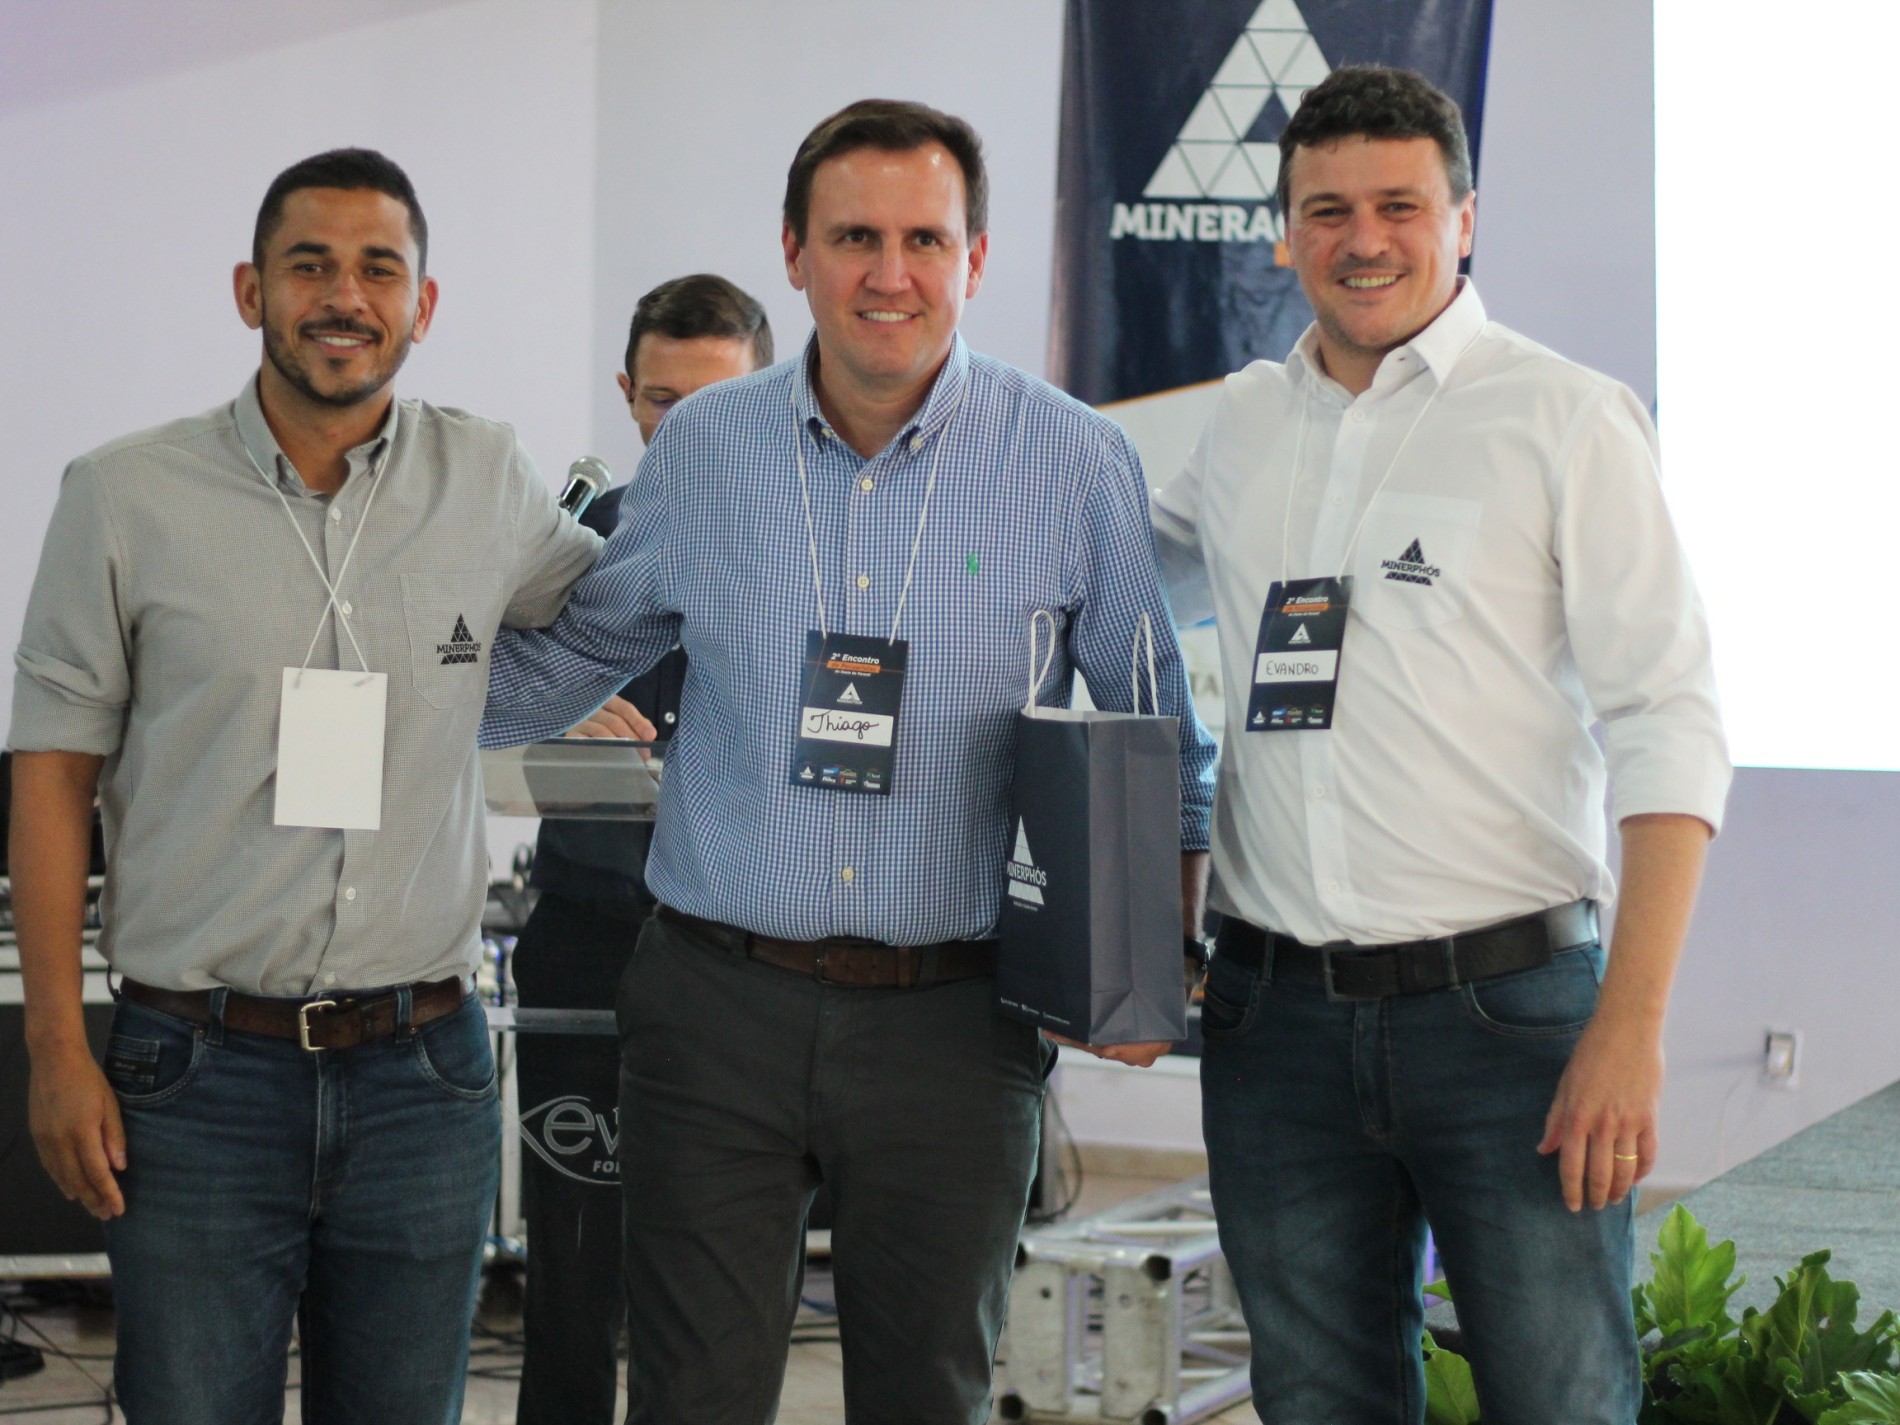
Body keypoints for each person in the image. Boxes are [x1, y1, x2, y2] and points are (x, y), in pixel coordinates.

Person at [482, 99, 1218, 1425]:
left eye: (924, 239)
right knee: (692, 1398)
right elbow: (578, 650)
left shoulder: (1073, 461)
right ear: (795, 252)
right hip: (718, 1008)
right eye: (854, 237)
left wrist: (1154, 961)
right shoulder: (706, 449)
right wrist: (386, 681)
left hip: (957, 1024)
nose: (891, 273)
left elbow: (1159, 723)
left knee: (925, 1395)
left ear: (975, 258)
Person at [1151, 66, 1730, 1423]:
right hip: (1273, 1025)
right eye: (1327, 210)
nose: (1364, 240)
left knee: (1559, 1400)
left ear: (1464, 219)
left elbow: (1669, 718)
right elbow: (1103, 590)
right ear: (1284, 233)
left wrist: (1631, 1027)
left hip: (1509, 1022)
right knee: (1316, 1399)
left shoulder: (1563, 417)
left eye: (1399, 205)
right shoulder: (1242, 423)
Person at [9, 147, 602, 1424]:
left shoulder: (488, 479)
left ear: (422, 304)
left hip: (423, 1074)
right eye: (310, 266)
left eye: (379, 269)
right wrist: (56, 1047)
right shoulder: (123, 496)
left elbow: (610, 609)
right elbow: (51, 776)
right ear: (250, 291)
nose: (344, 297)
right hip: (196, 1075)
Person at [511, 272, 772, 1425]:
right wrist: (548, 705)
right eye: (664, 402)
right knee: (572, 1264)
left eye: (716, 401)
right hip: (585, 933)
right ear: (626, 395)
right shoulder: (569, 545)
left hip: (741, 950)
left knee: (710, 1277)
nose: (688, 429)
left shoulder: (828, 544)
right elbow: (456, 675)